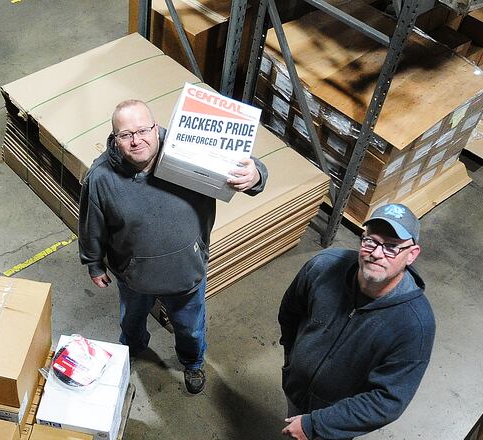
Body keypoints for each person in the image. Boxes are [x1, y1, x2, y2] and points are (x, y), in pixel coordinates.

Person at [78, 99, 268, 394]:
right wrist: (93, 262)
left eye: (143, 130)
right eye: (126, 135)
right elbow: (92, 223)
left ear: (157, 128)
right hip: (134, 276)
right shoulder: (102, 177)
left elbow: (247, 168)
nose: (136, 140)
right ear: (115, 139)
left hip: (185, 270)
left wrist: (255, 174)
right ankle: (133, 347)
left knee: (190, 329)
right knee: (131, 320)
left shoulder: (191, 150)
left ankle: (192, 363)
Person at [278, 203, 436, 440]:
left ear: (411, 254)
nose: (377, 253)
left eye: (392, 247)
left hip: (339, 417)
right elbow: (290, 312)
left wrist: (316, 425)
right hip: (296, 389)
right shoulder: (323, 266)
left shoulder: (415, 325)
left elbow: (387, 400)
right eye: (371, 241)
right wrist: (292, 359)